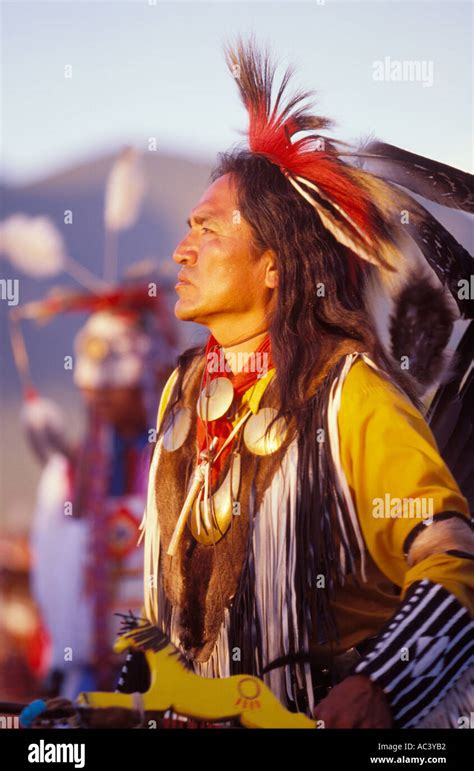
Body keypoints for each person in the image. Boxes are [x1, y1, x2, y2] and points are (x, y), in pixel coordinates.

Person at [139, 41, 474, 728]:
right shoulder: (182, 397)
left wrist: (383, 685)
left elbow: (455, 563)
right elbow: (173, 623)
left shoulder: (350, 393)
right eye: (187, 229)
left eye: (207, 229)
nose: (182, 249)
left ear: (273, 266)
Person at [19, 282, 176, 699]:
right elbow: (52, 578)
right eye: (93, 387)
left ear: (150, 374)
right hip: (86, 674)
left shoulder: (178, 457)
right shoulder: (69, 475)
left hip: (169, 672)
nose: (100, 395)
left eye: (113, 384)